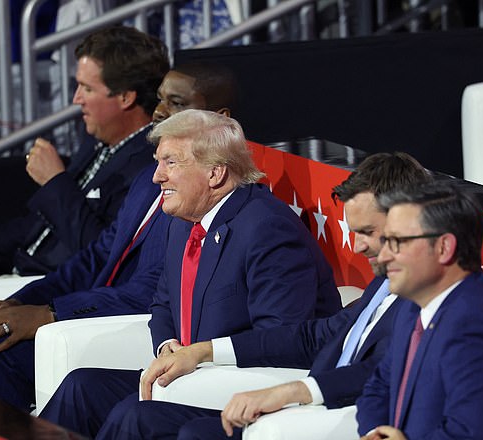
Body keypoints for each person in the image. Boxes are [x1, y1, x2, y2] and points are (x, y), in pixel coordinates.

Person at [0, 61, 248, 412]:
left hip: (130, 323)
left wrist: (50, 313)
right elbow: (96, 254)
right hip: (92, 305)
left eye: (176, 103)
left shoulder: (208, 192)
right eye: (159, 100)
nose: (159, 112)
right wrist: (20, 302)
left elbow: (151, 292)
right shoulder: (148, 179)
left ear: (219, 116)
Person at [39, 109, 341, 438]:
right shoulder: (182, 223)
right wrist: (168, 346)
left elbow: (282, 338)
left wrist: (199, 355)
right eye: (158, 162)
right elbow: (163, 303)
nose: (157, 176)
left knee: (135, 415)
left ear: (215, 173)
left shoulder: (266, 227)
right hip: (190, 375)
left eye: (171, 163)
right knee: (81, 387)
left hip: (245, 386)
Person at [98, 152, 434, 440]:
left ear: (407, 221)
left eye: (369, 233)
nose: (359, 246)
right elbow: (313, 335)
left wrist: (293, 393)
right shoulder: (383, 284)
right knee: (136, 415)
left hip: (323, 421)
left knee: (186, 432)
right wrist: (204, 351)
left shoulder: (427, 297)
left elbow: (384, 371)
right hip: (296, 409)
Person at [0, 25, 169, 364]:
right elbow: (36, 225)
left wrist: (56, 183)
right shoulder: (98, 142)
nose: (75, 100)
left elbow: (101, 254)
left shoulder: (149, 168)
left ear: (126, 97)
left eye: (86, 88)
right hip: (17, 276)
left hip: (52, 288)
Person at [357, 182, 483, 439]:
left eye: (397, 242)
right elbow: (379, 386)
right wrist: (375, 432)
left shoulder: (475, 326)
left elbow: (469, 435)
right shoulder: (412, 308)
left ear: (443, 248)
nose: (382, 257)